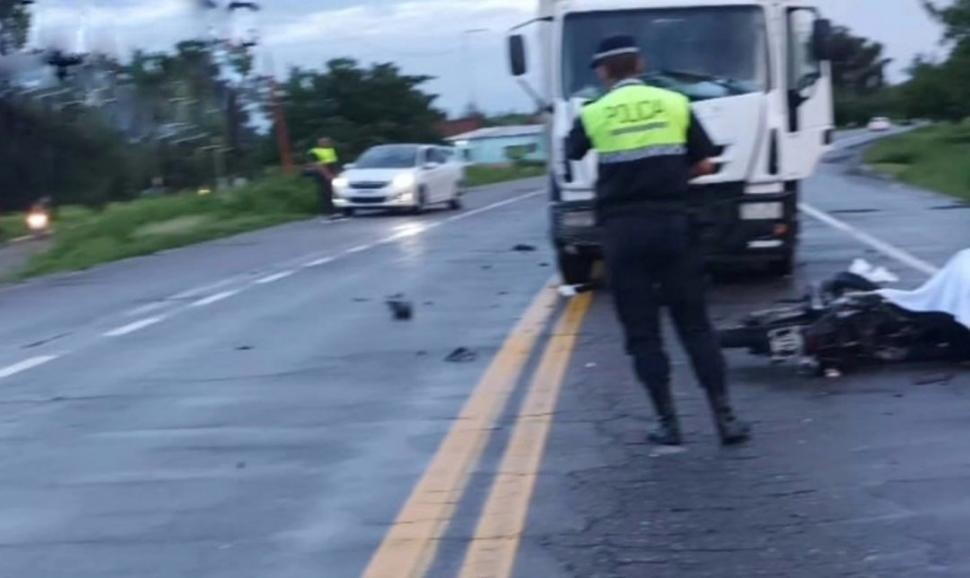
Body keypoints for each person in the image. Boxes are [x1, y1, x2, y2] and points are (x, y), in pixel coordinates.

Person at [567, 35, 751, 446]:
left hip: (622, 233)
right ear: (640, 64)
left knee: (642, 333)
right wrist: (673, 176)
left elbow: (573, 154)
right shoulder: (675, 103)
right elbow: (703, 161)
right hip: (673, 226)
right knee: (695, 326)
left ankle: (668, 424)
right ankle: (725, 420)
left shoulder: (595, 112)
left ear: (603, 71)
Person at [307, 137, 341, 218]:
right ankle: (327, 211)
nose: (327, 143)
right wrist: (327, 174)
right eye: (324, 142)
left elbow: (334, 163)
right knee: (325, 192)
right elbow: (318, 165)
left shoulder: (331, 150)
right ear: (319, 143)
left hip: (331, 173)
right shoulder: (314, 151)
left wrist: (336, 173)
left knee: (333, 192)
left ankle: (334, 209)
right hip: (321, 174)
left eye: (328, 142)